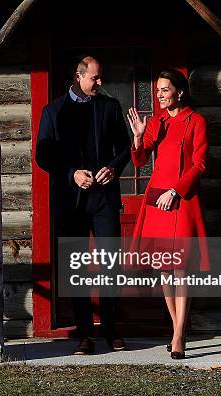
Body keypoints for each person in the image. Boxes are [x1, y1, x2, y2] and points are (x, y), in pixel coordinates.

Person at [35, 56, 131, 355]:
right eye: (95, 78)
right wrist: (71, 174)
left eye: (100, 78)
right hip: (71, 201)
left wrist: (114, 168)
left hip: (103, 199)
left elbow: (125, 147)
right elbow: (43, 154)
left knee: (110, 266)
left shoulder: (109, 107)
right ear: (79, 77)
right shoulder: (53, 110)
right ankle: (84, 335)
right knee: (76, 266)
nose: (100, 83)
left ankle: (112, 331)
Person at [127, 69, 209, 360]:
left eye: (165, 90)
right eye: (158, 90)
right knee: (164, 267)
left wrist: (175, 190)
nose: (159, 95)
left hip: (180, 198)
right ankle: (178, 328)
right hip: (156, 200)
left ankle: (177, 336)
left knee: (181, 268)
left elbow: (199, 164)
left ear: (180, 92)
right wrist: (138, 138)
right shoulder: (157, 122)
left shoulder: (196, 121)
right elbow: (139, 161)